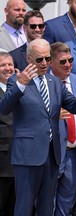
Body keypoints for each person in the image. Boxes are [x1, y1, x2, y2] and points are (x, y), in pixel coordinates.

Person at [0, 38, 76, 216]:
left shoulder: (54, 81)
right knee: (24, 207)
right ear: (28, 58)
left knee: (46, 207)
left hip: (51, 154)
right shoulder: (17, 81)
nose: (44, 63)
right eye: (39, 59)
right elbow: (4, 108)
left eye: (47, 59)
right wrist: (20, 84)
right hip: (27, 155)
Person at [50, 42, 76, 216]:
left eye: (70, 60)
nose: (67, 65)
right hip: (51, 153)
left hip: (74, 154)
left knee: (67, 203)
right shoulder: (44, 82)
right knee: (46, 202)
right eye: (62, 62)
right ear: (51, 62)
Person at [0, 52, 15, 216]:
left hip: (22, 162)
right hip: (2, 162)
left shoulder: (22, 88)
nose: (7, 68)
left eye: (10, 64)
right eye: (3, 65)